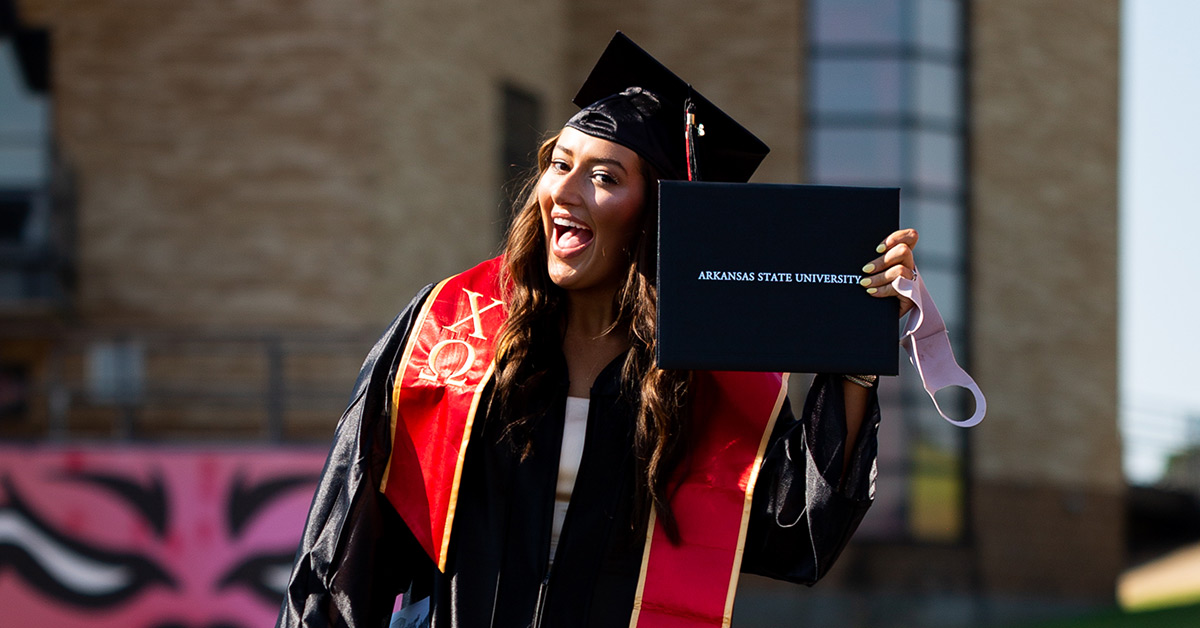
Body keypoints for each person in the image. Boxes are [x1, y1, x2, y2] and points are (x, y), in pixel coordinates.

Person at [276, 33, 919, 628]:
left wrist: (856, 340)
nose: (565, 192)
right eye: (560, 164)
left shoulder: (704, 373)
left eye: (605, 177)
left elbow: (793, 523)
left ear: (656, 214)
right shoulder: (449, 329)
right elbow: (348, 537)